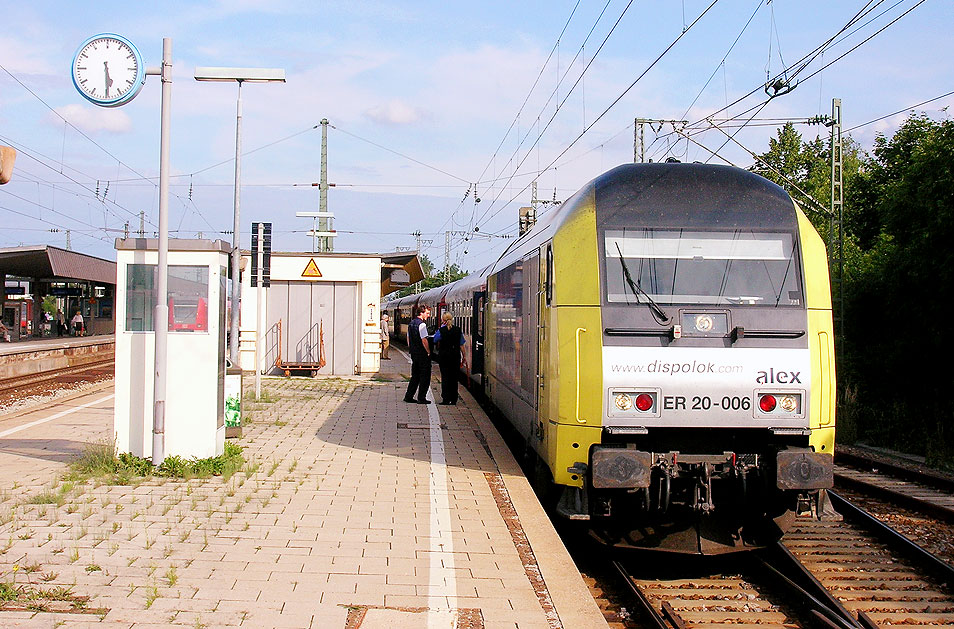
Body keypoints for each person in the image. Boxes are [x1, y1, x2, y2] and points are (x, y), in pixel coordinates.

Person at [433, 311, 466, 405]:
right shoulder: (458, 330)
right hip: (455, 357)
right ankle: (454, 399)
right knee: (454, 378)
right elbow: (461, 344)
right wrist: (464, 357)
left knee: (445, 378)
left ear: (443, 320)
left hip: (444, 357)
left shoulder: (441, 330)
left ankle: (446, 399)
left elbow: (435, 339)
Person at [403, 305, 432, 404]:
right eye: (427, 313)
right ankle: (421, 397)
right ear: (422, 313)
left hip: (414, 353)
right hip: (422, 354)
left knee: (415, 376)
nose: (428, 316)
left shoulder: (411, 323)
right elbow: (424, 340)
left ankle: (409, 396)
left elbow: (408, 338)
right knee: (425, 376)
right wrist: (428, 351)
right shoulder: (422, 325)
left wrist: (411, 348)